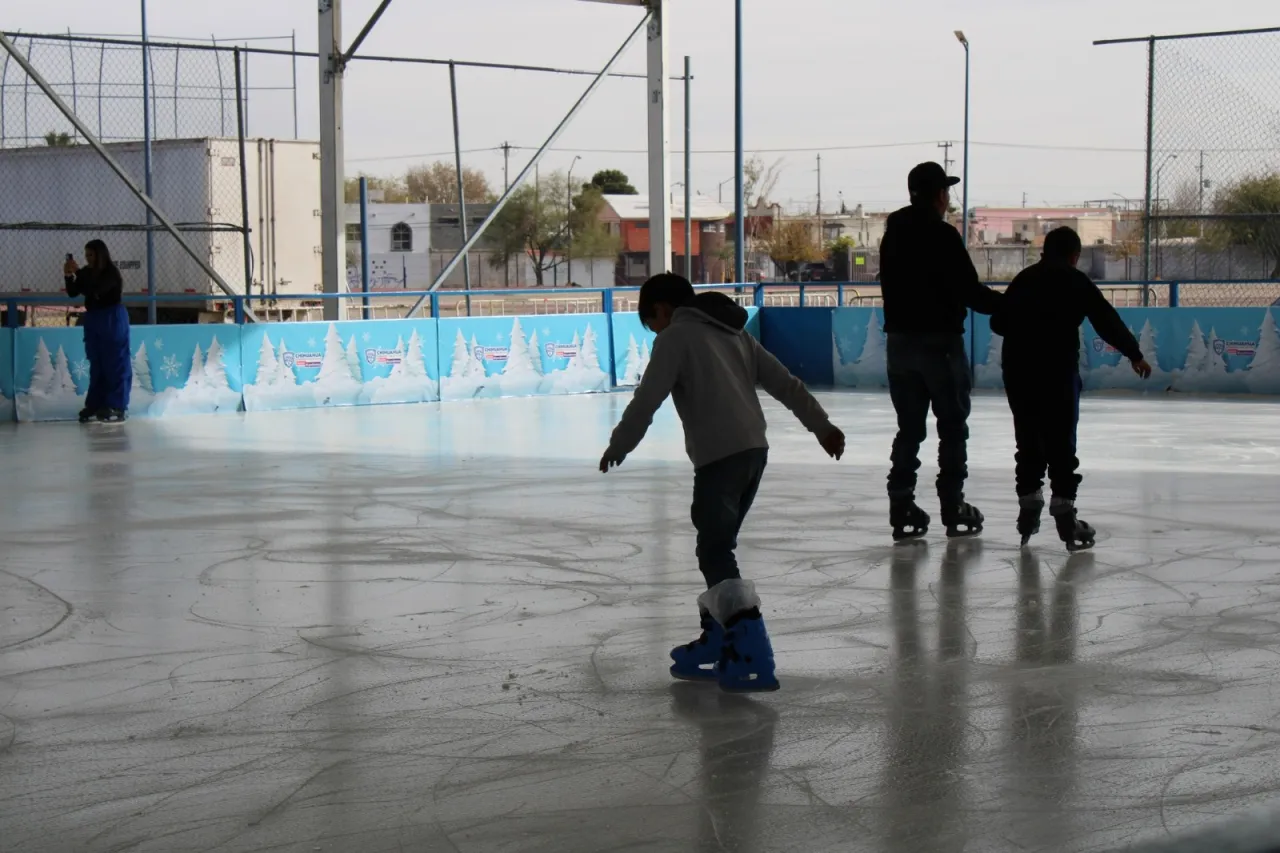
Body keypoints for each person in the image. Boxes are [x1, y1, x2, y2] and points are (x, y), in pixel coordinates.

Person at [599, 273, 845, 693]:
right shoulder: (735, 335)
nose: (654, 329)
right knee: (716, 545)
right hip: (753, 451)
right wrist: (821, 426)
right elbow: (784, 382)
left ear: (660, 310)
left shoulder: (675, 338)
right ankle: (719, 634)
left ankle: (750, 647)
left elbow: (647, 399)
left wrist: (619, 444)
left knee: (714, 549)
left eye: (650, 321)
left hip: (720, 456)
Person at [991, 226, 1152, 551]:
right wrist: (1134, 354)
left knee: (1028, 437)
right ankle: (1065, 515)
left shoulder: (1025, 278)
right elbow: (1106, 320)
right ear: (1074, 256)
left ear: (1043, 252)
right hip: (1057, 373)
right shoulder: (1076, 281)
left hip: (1020, 372)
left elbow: (998, 322)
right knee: (1061, 440)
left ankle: (1028, 506)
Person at [879, 161, 1004, 540]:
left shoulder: (892, 235)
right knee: (951, 427)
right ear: (939, 195)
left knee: (909, 429)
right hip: (939, 346)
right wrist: (1010, 305)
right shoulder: (942, 235)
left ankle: (900, 502)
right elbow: (969, 291)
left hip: (900, 346)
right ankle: (953, 505)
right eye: (946, 191)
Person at [64, 239, 131, 423]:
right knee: (97, 362)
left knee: (115, 362)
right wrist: (69, 276)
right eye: (86, 255)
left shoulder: (110, 272)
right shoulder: (86, 272)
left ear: (100, 254)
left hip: (111, 318)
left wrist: (78, 273)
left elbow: (95, 290)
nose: (88, 259)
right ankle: (96, 404)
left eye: (91, 255)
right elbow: (74, 292)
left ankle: (117, 405)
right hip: (94, 318)